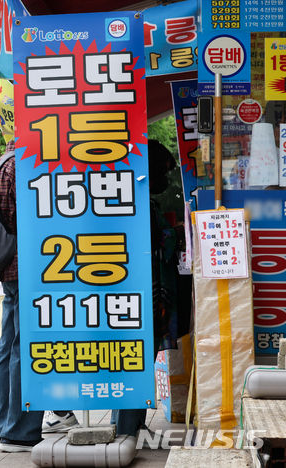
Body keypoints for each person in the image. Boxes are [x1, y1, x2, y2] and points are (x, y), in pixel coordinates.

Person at [110, 140, 179, 437]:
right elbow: (157, 247)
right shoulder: (140, 206)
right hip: (145, 293)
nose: (165, 180)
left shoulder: (123, 199)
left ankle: (128, 423)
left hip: (133, 294)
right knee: (136, 359)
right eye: (162, 172)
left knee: (130, 359)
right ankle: (127, 427)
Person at [0, 141, 45, 453]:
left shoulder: (2, 161)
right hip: (28, 266)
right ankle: (20, 431)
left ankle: (1, 428)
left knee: (9, 347)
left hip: (9, 267)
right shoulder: (25, 163)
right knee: (26, 347)